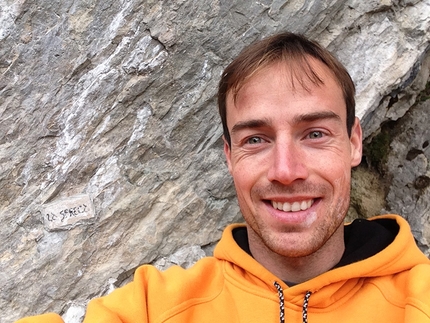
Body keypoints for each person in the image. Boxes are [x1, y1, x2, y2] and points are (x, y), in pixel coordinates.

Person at [17, 32, 430, 323]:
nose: (286, 171)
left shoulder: (420, 299)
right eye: (256, 139)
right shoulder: (155, 307)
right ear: (229, 156)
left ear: (354, 143)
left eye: (315, 134)